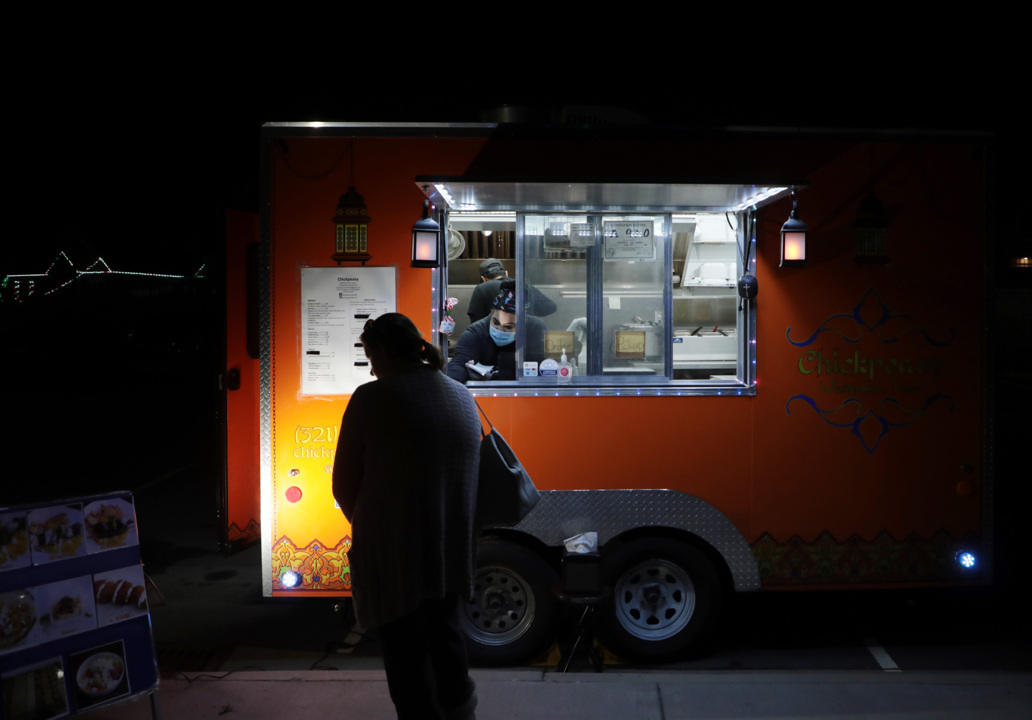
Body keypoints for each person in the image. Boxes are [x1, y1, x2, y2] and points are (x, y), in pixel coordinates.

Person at [332, 313, 480, 720]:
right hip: (450, 552)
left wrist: (373, 522)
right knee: (447, 643)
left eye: (369, 355)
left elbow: (343, 486)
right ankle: (461, 712)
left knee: (406, 657)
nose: (371, 366)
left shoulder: (372, 398)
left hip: (395, 556)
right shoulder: (461, 395)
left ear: (380, 351)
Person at [449, 278, 546, 383]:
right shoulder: (475, 333)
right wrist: (469, 376)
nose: (500, 330)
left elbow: (547, 369)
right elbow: (456, 368)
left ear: (524, 323)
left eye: (508, 327)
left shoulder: (536, 329)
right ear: (491, 312)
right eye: (495, 322)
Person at [466, 258, 557, 324]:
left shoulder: (481, 289)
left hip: (494, 345)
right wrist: (529, 311)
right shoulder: (522, 285)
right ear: (506, 273)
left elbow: (475, 321)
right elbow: (551, 307)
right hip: (525, 343)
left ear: (483, 279)